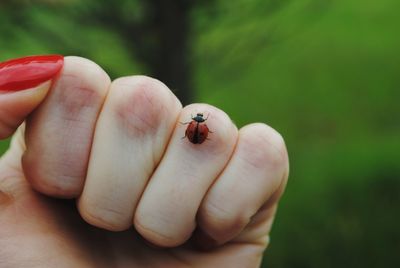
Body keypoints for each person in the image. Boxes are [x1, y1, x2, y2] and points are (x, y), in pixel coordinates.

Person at [0, 55, 289, 267]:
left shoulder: (193, 127)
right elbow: (200, 135)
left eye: (198, 122)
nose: (198, 122)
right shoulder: (198, 128)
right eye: (198, 122)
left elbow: (196, 136)